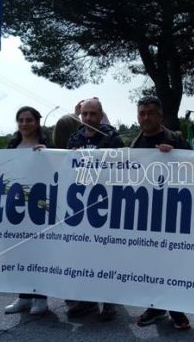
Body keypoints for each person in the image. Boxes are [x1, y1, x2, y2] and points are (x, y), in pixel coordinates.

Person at [128, 96, 191, 330]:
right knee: (149, 264)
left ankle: (175, 309)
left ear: (160, 116)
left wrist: (175, 154)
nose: (146, 117)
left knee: (171, 264)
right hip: (145, 215)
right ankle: (154, 307)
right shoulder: (135, 145)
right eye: (142, 113)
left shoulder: (175, 139)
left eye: (150, 113)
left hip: (173, 213)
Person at [0, 106, 51, 315]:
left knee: (38, 254)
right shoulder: (13, 145)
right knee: (17, 253)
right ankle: (23, 297)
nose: (24, 124)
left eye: (29, 120)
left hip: (38, 208)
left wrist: (48, 155)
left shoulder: (47, 145)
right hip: (14, 207)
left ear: (37, 122)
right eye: (21, 120)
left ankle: (41, 298)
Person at [65, 98, 124, 321]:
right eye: (85, 114)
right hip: (81, 205)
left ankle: (109, 302)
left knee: (106, 255)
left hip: (106, 204)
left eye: (93, 114)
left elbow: (121, 169)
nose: (88, 118)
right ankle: (87, 300)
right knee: (84, 256)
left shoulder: (112, 138)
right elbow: (66, 166)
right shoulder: (74, 137)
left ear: (101, 115)